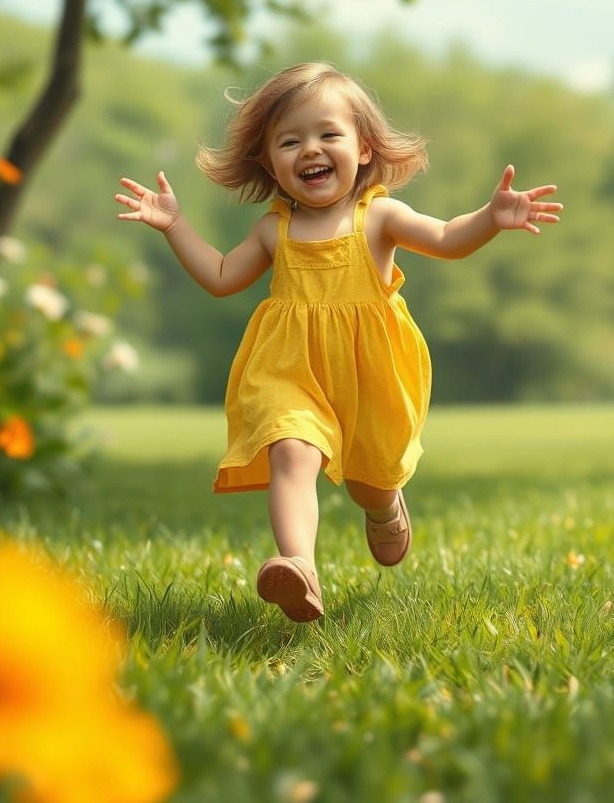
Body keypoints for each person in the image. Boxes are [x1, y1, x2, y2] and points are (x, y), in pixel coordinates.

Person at [115, 62, 562, 623]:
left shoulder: (378, 218)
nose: (310, 149)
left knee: (371, 481)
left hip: (371, 375)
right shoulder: (272, 230)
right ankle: (298, 566)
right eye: (290, 140)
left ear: (365, 147)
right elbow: (222, 276)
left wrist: (491, 218)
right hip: (290, 372)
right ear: (270, 163)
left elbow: (446, 239)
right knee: (290, 451)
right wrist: (175, 225)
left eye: (328, 134)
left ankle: (383, 507)